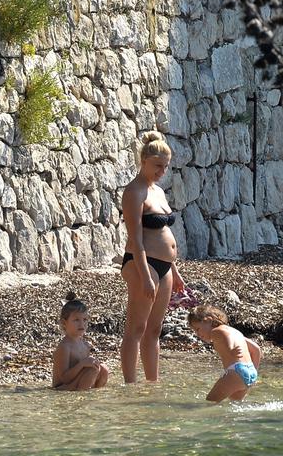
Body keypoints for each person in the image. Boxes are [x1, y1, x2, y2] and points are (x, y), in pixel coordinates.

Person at [120, 131, 178, 382]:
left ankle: (152, 384)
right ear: (143, 161)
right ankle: (130, 385)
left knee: (154, 330)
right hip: (141, 263)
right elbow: (136, 239)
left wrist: (175, 271)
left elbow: (164, 232)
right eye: (157, 166)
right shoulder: (134, 191)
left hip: (164, 266)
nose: (161, 171)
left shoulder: (158, 192)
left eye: (165, 166)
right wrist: (145, 276)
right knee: (136, 328)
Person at [187, 305, 262, 402]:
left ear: (209, 320)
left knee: (210, 402)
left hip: (236, 371)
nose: (197, 334)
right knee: (233, 404)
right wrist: (254, 372)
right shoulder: (235, 332)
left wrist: (230, 347)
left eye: (198, 329)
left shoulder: (216, 331)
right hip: (250, 372)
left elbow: (227, 338)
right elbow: (256, 349)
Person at [52, 294, 110, 391]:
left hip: (77, 384)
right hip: (62, 388)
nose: (81, 324)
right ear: (64, 323)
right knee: (92, 370)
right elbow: (64, 378)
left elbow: (85, 372)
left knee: (103, 369)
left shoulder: (85, 345)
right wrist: (82, 364)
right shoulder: (65, 347)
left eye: (85, 320)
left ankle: (94, 395)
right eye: (76, 320)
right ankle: (82, 396)